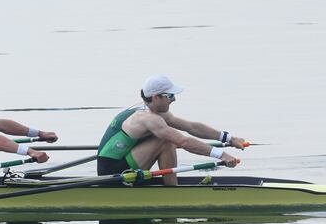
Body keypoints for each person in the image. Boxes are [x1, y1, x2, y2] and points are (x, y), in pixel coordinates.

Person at [97, 75, 244, 186]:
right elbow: (184, 141)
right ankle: (172, 190)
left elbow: (191, 127)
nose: (174, 99)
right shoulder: (147, 118)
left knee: (167, 140)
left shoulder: (154, 112)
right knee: (166, 140)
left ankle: (172, 187)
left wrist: (229, 138)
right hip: (112, 173)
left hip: (122, 159)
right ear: (156, 97)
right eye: (170, 96)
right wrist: (222, 155)